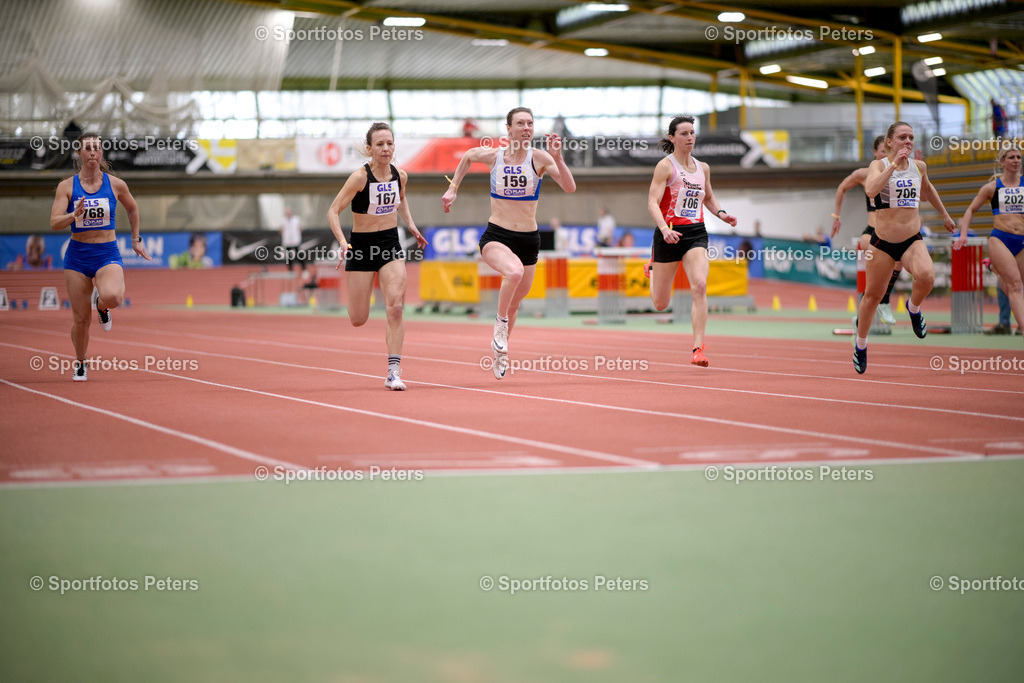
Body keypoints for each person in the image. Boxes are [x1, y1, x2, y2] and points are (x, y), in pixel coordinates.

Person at [442, 107, 576, 379]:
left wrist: (559, 159)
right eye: (521, 123)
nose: (527, 128)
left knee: (516, 303)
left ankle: (500, 352)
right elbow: (468, 156)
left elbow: (570, 187)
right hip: (497, 236)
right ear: (509, 128)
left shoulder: (540, 158)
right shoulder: (494, 157)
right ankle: (499, 326)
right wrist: (452, 188)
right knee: (512, 272)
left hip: (529, 238)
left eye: (530, 123)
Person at [327, 122, 427, 391]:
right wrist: (342, 242)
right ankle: (358, 309)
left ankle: (393, 371)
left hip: (390, 245)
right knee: (358, 318)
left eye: (390, 143)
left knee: (395, 307)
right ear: (369, 149)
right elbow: (333, 211)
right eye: (380, 144)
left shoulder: (400, 175)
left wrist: (412, 225)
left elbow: (402, 199)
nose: (386, 148)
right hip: (361, 247)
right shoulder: (359, 178)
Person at [854, 121, 956, 373]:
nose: (908, 142)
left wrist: (945, 214)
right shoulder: (877, 165)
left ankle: (913, 307)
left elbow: (927, 189)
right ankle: (861, 344)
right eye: (902, 137)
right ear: (889, 142)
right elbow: (870, 189)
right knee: (872, 298)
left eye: (911, 137)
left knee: (926, 276)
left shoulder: (919, 166)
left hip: (911, 239)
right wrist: (893, 166)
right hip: (883, 243)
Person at [49, 133, 151, 381]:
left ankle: (102, 307)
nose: (93, 152)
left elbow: (133, 208)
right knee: (81, 320)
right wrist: (74, 214)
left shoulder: (116, 184)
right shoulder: (66, 187)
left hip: (107, 253)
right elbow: (54, 222)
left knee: (113, 297)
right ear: (80, 153)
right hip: (77, 257)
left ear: (101, 153)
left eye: (97, 148)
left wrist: (135, 239)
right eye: (88, 148)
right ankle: (81, 363)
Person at [642, 115, 737, 367]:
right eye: (684, 133)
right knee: (660, 304)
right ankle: (652, 268)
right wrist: (663, 229)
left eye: (692, 133)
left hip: (696, 233)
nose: (690, 138)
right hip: (669, 234)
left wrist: (722, 214)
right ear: (672, 138)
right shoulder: (665, 166)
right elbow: (652, 202)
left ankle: (698, 348)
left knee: (700, 286)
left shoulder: (703, 168)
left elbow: (709, 197)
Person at [832, 135, 902, 323]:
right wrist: (837, 217)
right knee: (872, 254)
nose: (885, 155)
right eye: (882, 152)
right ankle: (869, 303)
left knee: (899, 262)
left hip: (892, 230)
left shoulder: (898, 172)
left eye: (888, 152)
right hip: (871, 230)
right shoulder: (864, 174)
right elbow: (842, 187)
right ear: (874, 152)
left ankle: (883, 301)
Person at [956, 147, 1024, 341]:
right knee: (1015, 286)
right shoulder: (992, 187)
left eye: (1019, 157)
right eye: (1011, 157)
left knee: (1017, 286)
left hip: (1022, 241)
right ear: (1002, 161)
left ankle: (995, 268)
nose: (1016, 160)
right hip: (1000, 238)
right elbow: (970, 210)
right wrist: (963, 235)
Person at [281, 207, 305, 272]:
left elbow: (301, 228)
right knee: (288, 256)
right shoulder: (283, 220)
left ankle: (304, 268)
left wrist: (296, 234)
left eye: (289, 212)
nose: (288, 214)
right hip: (287, 241)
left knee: (299, 254)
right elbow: (281, 229)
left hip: (295, 240)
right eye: (287, 213)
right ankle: (290, 270)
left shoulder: (296, 219)